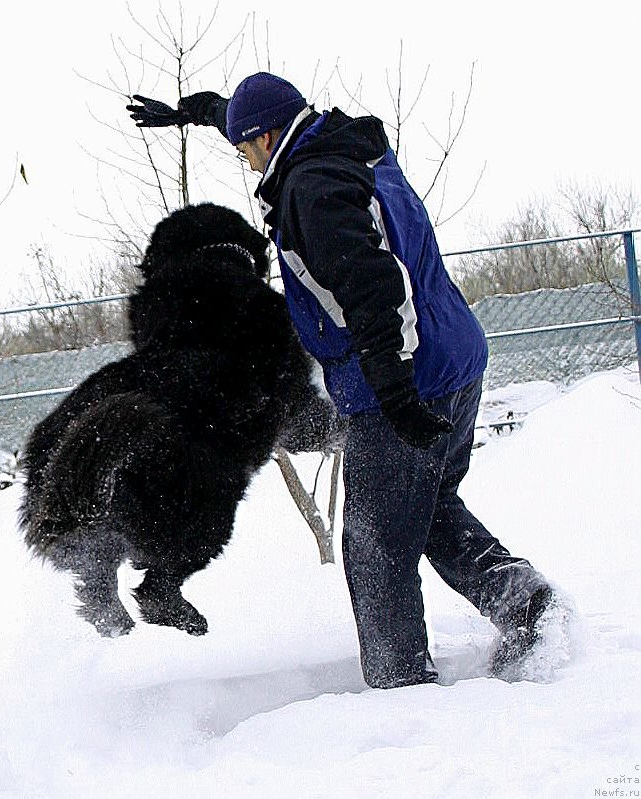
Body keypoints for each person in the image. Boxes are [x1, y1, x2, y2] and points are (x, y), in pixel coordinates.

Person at [126, 73, 561, 688]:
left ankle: (401, 686)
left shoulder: (313, 191)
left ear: (270, 136)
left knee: (376, 545)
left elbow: (377, 293)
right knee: (429, 505)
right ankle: (524, 602)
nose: (246, 162)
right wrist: (194, 113)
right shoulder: (347, 145)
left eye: (246, 148)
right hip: (456, 356)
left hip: (406, 379)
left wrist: (397, 393)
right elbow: (249, 116)